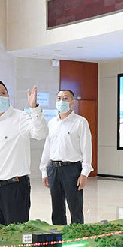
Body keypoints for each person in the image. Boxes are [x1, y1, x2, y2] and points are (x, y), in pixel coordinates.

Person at [0, 80, 48, 225]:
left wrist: (34, 109)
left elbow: (40, 133)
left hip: (16, 187)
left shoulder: (20, 117)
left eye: (3, 93)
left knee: (16, 233)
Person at [40, 90, 93, 225]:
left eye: (65, 98)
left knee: (75, 207)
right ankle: (58, 234)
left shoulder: (80, 122)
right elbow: (47, 148)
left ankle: (77, 235)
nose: (61, 101)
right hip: (53, 169)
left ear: (72, 102)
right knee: (57, 208)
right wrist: (44, 171)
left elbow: (87, 148)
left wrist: (84, 173)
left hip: (72, 169)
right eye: (59, 98)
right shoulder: (52, 123)